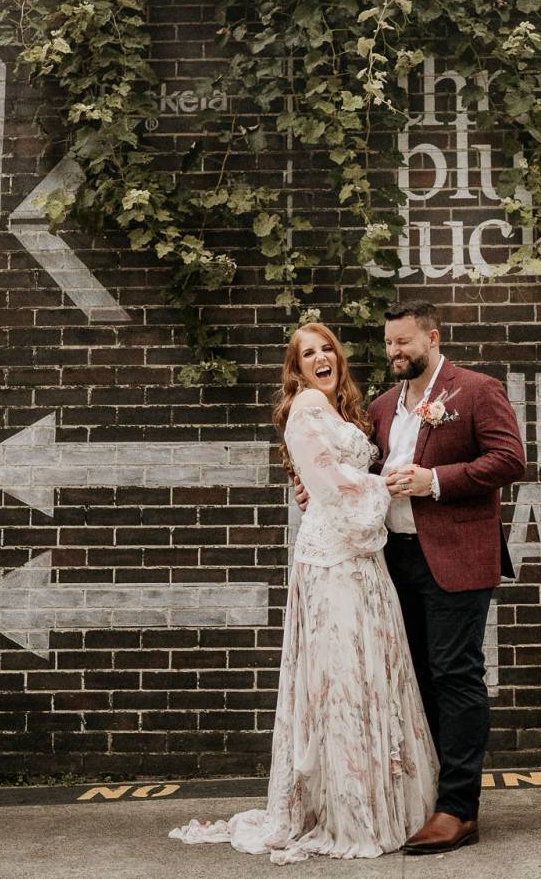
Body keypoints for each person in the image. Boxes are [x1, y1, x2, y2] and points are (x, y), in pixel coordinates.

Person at [169, 322, 436, 865]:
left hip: (362, 557)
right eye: (307, 353)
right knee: (340, 679)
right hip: (332, 560)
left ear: (338, 357)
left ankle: (376, 803)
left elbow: (335, 474)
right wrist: (383, 487)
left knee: (368, 674)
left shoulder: (343, 412)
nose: (319, 358)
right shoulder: (306, 408)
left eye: (326, 348)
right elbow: (331, 484)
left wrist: (360, 483)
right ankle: (347, 811)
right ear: (297, 369)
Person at [298, 300, 526, 854]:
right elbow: (358, 473)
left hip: (456, 556)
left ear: (432, 338)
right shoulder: (381, 406)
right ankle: (428, 798)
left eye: (403, 341)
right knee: (414, 680)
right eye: (388, 343)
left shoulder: (477, 390)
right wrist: (315, 490)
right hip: (391, 561)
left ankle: (458, 811)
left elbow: (509, 459)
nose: (394, 351)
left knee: (455, 675)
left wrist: (435, 481)